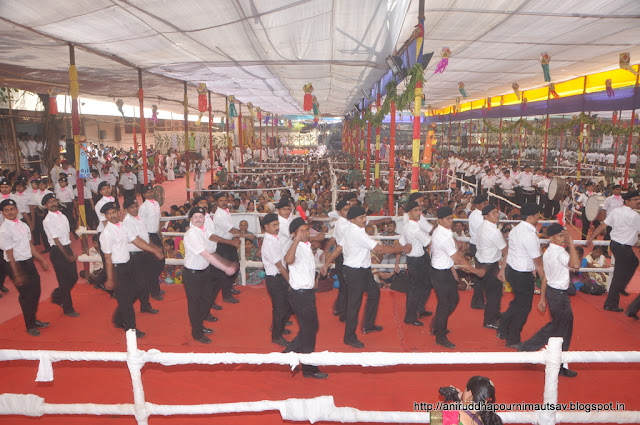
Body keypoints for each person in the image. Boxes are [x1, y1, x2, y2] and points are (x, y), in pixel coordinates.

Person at [321, 205, 410, 349]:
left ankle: (368, 325)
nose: (365, 219)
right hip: (354, 272)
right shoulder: (357, 233)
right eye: (361, 217)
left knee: (374, 293)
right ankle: (349, 337)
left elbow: (339, 248)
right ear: (353, 219)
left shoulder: (351, 228)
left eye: (365, 216)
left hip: (363, 270)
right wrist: (402, 248)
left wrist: (327, 264)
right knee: (354, 305)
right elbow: (380, 249)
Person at [519, 224, 580, 378]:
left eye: (564, 235)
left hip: (554, 294)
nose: (564, 238)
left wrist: (542, 298)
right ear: (552, 237)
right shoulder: (561, 254)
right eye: (561, 236)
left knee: (561, 327)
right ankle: (528, 349)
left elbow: (545, 277)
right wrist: (571, 244)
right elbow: (576, 265)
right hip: (559, 296)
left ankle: (555, 360)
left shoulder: (547, 253)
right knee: (558, 328)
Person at [100, 202, 162, 339]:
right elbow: (108, 258)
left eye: (114, 212)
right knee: (126, 301)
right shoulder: (106, 233)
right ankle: (131, 329)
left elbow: (136, 241)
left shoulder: (122, 226)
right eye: (109, 214)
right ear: (106, 216)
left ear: (119, 212)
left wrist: (154, 251)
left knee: (134, 293)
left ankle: (117, 319)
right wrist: (110, 278)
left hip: (128, 266)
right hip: (117, 270)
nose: (112, 216)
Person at [430, 206, 485, 348]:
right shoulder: (442, 236)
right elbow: (458, 259)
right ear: (440, 220)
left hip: (445, 270)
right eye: (448, 219)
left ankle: (437, 325)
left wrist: (453, 270)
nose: (451, 221)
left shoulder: (444, 232)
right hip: (440, 273)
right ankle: (440, 336)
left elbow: (451, 257)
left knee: (453, 300)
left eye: (452, 218)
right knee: (444, 304)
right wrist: (475, 271)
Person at [183, 206, 238, 344]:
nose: (198, 219)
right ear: (191, 219)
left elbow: (211, 252)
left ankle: (199, 325)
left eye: (201, 217)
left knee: (207, 300)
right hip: (192, 273)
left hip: (204, 271)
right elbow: (206, 255)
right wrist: (225, 267)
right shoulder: (191, 234)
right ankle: (197, 332)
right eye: (195, 217)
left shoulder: (203, 231)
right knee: (195, 303)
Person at [282, 217, 328, 379]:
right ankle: (308, 369)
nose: (306, 233)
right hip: (300, 295)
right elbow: (288, 260)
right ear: (294, 234)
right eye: (302, 231)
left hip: (307, 294)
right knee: (309, 332)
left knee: (312, 328)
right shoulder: (295, 247)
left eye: (307, 230)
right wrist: (295, 241)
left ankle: (287, 354)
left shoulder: (306, 246)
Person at [497, 203, 546, 348]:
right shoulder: (530, 235)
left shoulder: (516, 229)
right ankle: (513, 339)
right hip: (522, 274)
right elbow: (537, 262)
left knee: (517, 303)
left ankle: (503, 328)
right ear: (530, 217)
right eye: (537, 215)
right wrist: (544, 279)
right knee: (523, 308)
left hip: (512, 270)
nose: (539, 217)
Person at [0, 198, 51, 336]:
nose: (10, 212)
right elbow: (9, 254)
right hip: (15, 264)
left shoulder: (23, 225)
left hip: (28, 261)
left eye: (12, 209)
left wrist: (41, 260)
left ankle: (33, 319)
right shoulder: (4, 230)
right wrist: (16, 274)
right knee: (26, 295)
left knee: (36, 291)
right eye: (6, 210)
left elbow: (30, 245)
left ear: (16, 210)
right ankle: (30, 325)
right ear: (2, 213)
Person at [588, 190, 640, 314]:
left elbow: (602, 226)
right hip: (623, 247)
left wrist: (591, 238)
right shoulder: (634, 216)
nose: (638, 202)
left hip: (615, 245)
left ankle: (621, 287)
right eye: (635, 200)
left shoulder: (616, 211)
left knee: (634, 262)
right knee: (619, 275)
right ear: (627, 201)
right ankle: (611, 303)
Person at [122, 197, 162, 315]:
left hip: (143, 253)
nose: (135, 209)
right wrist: (154, 251)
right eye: (131, 208)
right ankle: (125, 309)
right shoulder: (127, 221)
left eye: (136, 206)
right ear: (126, 210)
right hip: (135, 255)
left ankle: (145, 305)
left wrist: (154, 247)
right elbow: (137, 240)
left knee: (144, 281)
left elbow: (145, 236)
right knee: (138, 284)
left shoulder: (139, 218)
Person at [42, 193, 79, 317]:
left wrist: (71, 251)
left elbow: (66, 236)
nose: (53, 204)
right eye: (50, 202)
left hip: (66, 247)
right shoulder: (47, 220)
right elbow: (56, 240)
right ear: (45, 206)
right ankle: (68, 308)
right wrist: (67, 256)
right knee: (63, 281)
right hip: (58, 251)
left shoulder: (63, 216)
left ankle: (57, 296)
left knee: (74, 277)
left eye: (54, 201)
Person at [261, 212, 293, 347]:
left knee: (283, 307)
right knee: (281, 308)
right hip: (276, 278)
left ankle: (279, 328)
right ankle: (276, 336)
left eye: (278, 224)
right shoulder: (269, 242)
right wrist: (291, 282)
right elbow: (279, 266)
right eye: (274, 225)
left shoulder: (275, 238)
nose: (277, 227)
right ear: (266, 227)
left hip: (279, 277)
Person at [475, 204, 507, 330]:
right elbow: (505, 251)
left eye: (497, 212)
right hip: (490, 265)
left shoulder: (483, 226)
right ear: (486, 216)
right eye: (493, 213)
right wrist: (503, 269)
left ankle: (494, 314)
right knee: (494, 294)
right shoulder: (494, 232)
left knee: (492, 293)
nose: (497, 215)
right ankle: (489, 320)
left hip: (482, 262)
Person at [401, 200, 432, 327]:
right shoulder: (414, 228)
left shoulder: (408, 226)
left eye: (419, 210)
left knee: (422, 286)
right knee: (416, 289)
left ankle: (419, 309)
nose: (419, 213)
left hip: (416, 258)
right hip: (416, 260)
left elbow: (403, 241)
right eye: (415, 210)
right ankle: (410, 316)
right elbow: (429, 242)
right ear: (409, 213)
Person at [138, 184, 165, 301]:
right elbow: (141, 224)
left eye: (151, 191)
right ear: (144, 195)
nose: (150, 193)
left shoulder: (156, 203)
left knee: (161, 262)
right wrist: (146, 239)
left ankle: (153, 287)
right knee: (154, 264)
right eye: (148, 192)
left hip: (156, 235)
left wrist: (160, 233)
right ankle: (154, 291)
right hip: (148, 236)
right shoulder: (143, 207)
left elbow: (158, 219)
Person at [325, 199, 350, 322]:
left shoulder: (343, 222)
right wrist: (327, 261)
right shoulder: (344, 224)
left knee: (344, 286)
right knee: (347, 287)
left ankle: (340, 308)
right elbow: (339, 246)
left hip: (342, 256)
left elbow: (334, 238)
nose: (348, 211)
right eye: (345, 209)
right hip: (343, 256)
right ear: (340, 212)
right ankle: (344, 314)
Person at [468, 194, 489, 310]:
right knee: (481, 274)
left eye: (487, 203)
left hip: (480, 245)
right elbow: (484, 231)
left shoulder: (480, 215)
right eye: (484, 204)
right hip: (478, 246)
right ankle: (478, 302)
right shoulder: (476, 216)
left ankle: (479, 301)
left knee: (482, 274)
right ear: (477, 205)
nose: (486, 206)